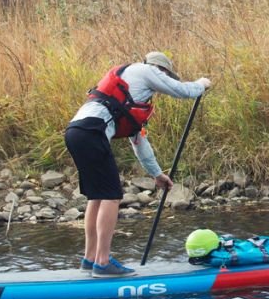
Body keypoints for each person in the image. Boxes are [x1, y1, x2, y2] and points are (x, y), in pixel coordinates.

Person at [64, 52, 211, 277]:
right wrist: (201, 84)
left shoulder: (132, 92)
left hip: (76, 132)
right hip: (92, 132)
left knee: (97, 197)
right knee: (112, 196)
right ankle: (103, 263)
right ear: (161, 70)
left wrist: (157, 174)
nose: (161, 82)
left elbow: (138, 141)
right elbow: (184, 91)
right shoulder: (146, 71)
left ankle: (90, 258)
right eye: (165, 75)